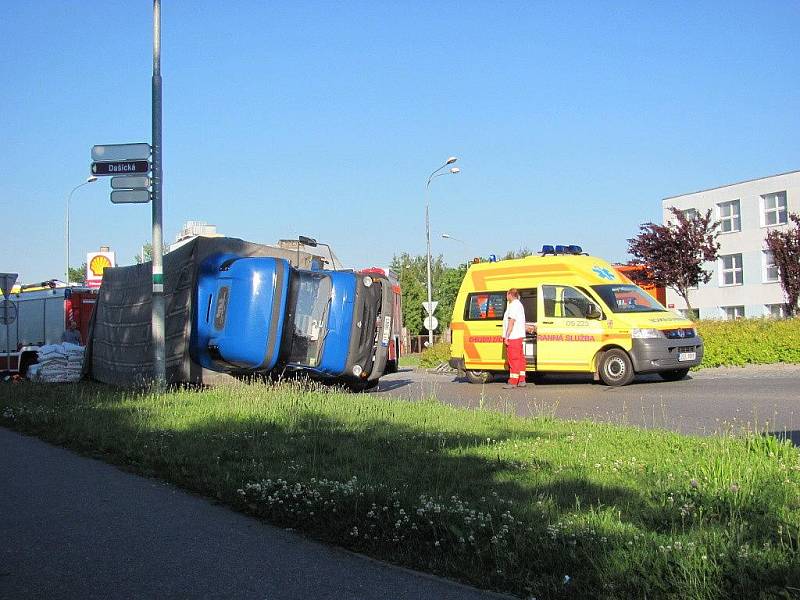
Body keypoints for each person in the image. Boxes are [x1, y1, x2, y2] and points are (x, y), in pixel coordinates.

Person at [502, 288, 527, 388]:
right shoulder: (519, 305)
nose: (506, 297)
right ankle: (521, 380)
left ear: (510, 294)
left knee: (513, 359)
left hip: (513, 336)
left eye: (507, 295)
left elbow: (511, 322)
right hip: (519, 336)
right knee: (520, 359)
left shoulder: (513, 305)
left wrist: (507, 336)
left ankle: (513, 381)